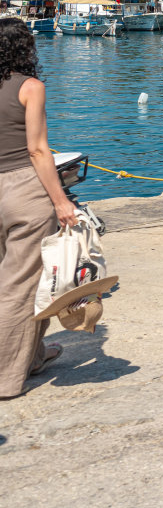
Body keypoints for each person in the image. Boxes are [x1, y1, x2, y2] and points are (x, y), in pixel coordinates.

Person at [0, 19, 76, 398]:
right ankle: (6, 379)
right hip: (23, 190)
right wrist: (61, 201)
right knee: (22, 285)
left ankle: (32, 356)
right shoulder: (30, 87)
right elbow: (37, 150)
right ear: (25, 49)